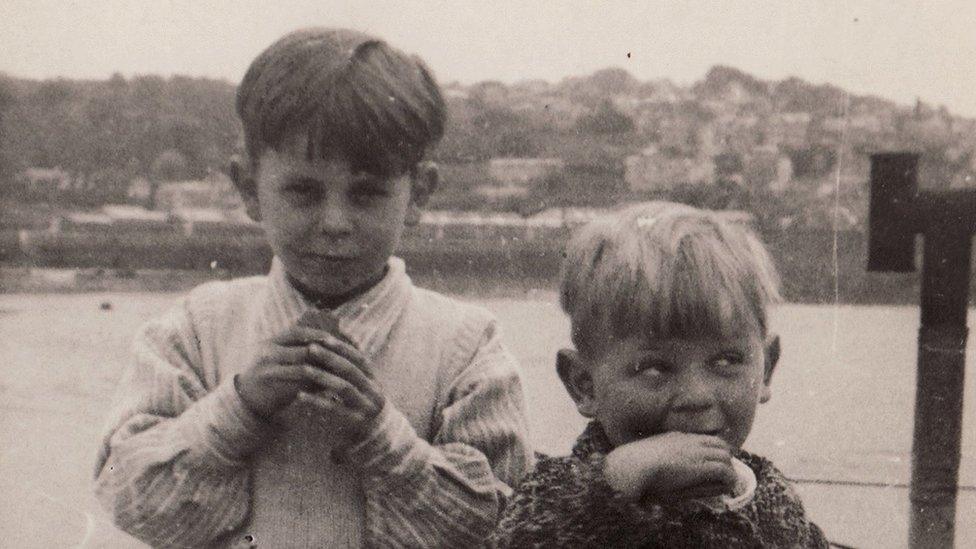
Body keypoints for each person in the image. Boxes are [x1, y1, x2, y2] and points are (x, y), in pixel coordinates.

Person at [94, 28, 532, 548]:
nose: (335, 223)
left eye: (367, 194)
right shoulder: (195, 330)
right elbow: (129, 501)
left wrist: (382, 436)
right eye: (303, 191)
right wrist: (237, 410)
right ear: (250, 189)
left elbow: (505, 526)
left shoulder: (468, 347)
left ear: (419, 194)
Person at [491, 202, 828, 548]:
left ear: (766, 368)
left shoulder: (773, 499)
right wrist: (616, 481)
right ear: (584, 385)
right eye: (655, 368)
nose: (697, 396)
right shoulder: (553, 495)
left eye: (726, 361)